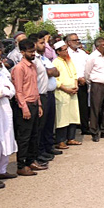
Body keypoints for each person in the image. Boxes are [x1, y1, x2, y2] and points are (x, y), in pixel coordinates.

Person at [12, 39, 45, 175]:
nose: (33, 54)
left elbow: (34, 87)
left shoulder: (33, 66)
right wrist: (24, 108)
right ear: (22, 52)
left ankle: (31, 160)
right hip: (24, 106)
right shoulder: (19, 68)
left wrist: (39, 104)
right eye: (30, 52)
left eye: (34, 51)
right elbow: (18, 91)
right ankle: (21, 165)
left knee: (34, 135)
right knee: (24, 137)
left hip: (34, 103)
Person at [30, 33, 59, 163]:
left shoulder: (44, 58)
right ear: (34, 44)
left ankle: (48, 147)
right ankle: (39, 151)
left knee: (49, 123)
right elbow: (48, 72)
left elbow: (56, 72)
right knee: (40, 126)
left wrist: (51, 71)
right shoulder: (34, 59)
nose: (44, 45)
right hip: (40, 95)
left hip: (50, 94)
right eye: (42, 43)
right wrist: (51, 71)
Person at [84, 37, 104, 142]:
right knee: (95, 109)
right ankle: (94, 132)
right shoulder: (92, 57)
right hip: (97, 85)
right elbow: (87, 72)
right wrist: (91, 82)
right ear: (97, 47)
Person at [52, 41, 81, 150]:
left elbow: (74, 74)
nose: (66, 51)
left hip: (72, 91)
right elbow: (56, 80)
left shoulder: (69, 60)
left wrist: (76, 85)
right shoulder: (55, 62)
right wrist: (66, 89)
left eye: (66, 49)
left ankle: (71, 138)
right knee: (62, 117)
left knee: (73, 115)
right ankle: (60, 141)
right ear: (58, 52)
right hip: (62, 92)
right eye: (64, 50)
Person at [0, 51, 17, 186]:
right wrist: (3, 92)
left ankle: (1, 169)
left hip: (4, 109)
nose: (1, 63)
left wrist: (3, 92)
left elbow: (11, 90)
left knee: (7, 138)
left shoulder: (1, 74)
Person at [66, 33, 90, 136]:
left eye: (78, 40)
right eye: (75, 40)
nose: (77, 42)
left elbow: (88, 65)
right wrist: (77, 79)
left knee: (83, 106)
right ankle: (71, 130)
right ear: (69, 42)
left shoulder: (82, 53)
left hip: (83, 82)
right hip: (72, 84)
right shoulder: (66, 54)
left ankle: (85, 127)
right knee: (72, 107)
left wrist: (85, 78)